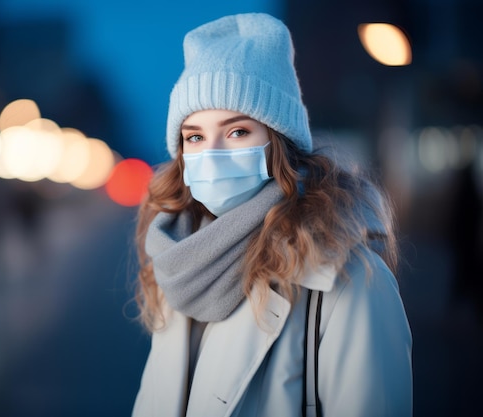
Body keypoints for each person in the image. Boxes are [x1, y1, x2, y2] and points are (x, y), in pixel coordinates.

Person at [131, 12, 412, 417]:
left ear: (277, 142)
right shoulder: (177, 268)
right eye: (194, 136)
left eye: (237, 132)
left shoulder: (349, 283)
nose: (211, 153)